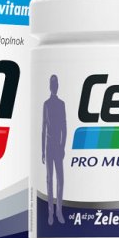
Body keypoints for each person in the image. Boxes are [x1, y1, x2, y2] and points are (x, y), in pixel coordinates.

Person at [41, 74, 67, 225]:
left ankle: (59, 211)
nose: (54, 87)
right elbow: (43, 128)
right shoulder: (46, 104)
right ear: (50, 87)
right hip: (49, 146)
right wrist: (42, 151)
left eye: (56, 84)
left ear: (58, 86)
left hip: (57, 146)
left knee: (60, 180)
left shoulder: (61, 104)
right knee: (49, 180)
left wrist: (63, 147)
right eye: (53, 85)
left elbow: (64, 127)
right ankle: (50, 212)